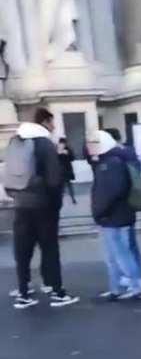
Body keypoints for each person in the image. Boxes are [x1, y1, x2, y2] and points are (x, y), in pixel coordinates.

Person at [4, 107, 79, 309]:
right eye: (52, 122)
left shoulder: (15, 141)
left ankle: (23, 291)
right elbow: (54, 179)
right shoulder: (44, 144)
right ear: (45, 122)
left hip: (20, 202)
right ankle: (56, 290)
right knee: (49, 248)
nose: (53, 126)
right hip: (43, 205)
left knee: (22, 249)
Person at [90, 130, 141, 301]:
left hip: (115, 216)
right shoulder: (108, 160)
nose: (90, 146)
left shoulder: (111, 163)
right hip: (113, 216)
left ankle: (135, 285)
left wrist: (99, 210)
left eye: (93, 143)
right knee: (113, 256)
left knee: (122, 255)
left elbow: (113, 191)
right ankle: (116, 288)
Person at [58, 137, 77, 204]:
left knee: (69, 185)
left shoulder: (68, 149)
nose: (62, 145)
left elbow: (73, 158)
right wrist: (59, 153)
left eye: (63, 143)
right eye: (61, 143)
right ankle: (61, 200)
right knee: (62, 187)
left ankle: (73, 198)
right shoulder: (57, 150)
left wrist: (67, 154)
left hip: (67, 169)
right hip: (61, 171)